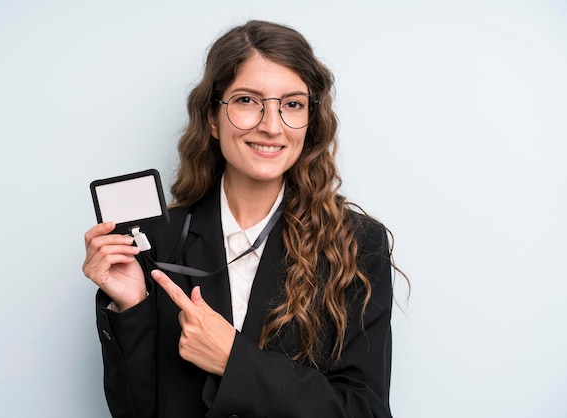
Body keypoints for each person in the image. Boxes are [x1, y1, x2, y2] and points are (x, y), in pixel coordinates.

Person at [83, 20, 402, 418]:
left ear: (311, 120)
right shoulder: (154, 242)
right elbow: (137, 412)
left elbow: (365, 411)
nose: (271, 126)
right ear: (213, 119)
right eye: (248, 101)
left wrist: (234, 361)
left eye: (292, 104)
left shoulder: (357, 244)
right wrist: (130, 306)